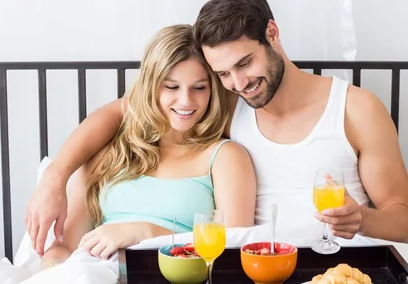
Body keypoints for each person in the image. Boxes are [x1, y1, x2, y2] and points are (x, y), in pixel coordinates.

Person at [26, 0, 408, 257]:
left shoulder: (355, 108)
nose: (239, 82)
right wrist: (54, 178)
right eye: (223, 73)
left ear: (272, 33)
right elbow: (122, 110)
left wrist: (360, 218)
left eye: (245, 63)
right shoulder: (227, 102)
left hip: (339, 266)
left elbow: (404, 223)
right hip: (254, 269)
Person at [36, 24, 256, 266]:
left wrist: (146, 233)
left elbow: (235, 251)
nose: (186, 100)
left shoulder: (224, 157)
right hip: (91, 275)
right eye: (171, 87)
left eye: (199, 88)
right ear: (150, 88)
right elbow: (65, 248)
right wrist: (47, 278)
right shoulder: (110, 152)